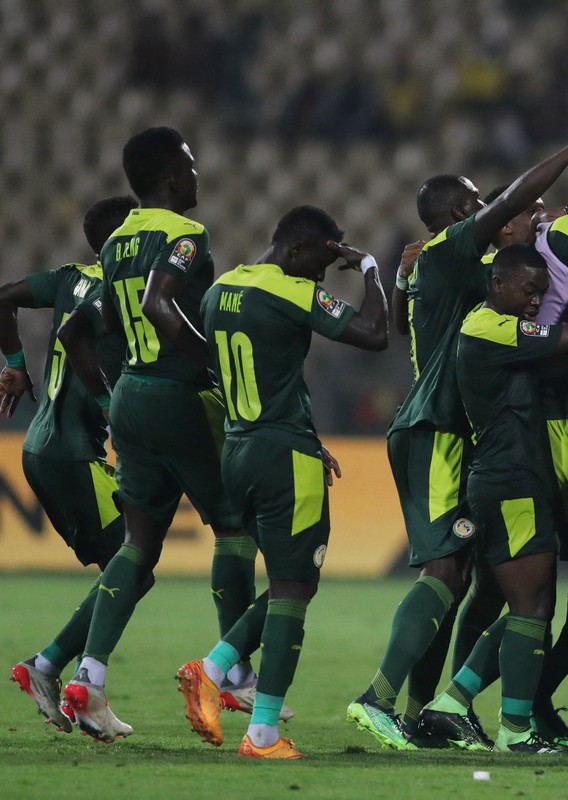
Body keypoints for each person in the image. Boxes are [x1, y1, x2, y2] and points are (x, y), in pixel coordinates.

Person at [347, 117, 568, 751]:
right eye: (482, 203)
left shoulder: (460, 273)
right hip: (438, 430)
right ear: (460, 212)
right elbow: (510, 206)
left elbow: (408, 323)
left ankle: (435, 709)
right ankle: (378, 696)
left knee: (476, 583)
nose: (502, 209)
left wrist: (401, 281)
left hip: (464, 433)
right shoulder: (456, 251)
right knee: (444, 573)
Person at [56, 127, 257, 742]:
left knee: (138, 544)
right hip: (178, 397)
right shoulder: (185, 235)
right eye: (192, 167)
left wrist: (121, 390)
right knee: (235, 526)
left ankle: (88, 680)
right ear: (173, 178)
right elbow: (158, 304)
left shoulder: (116, 240)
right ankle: (236, 671)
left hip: (132, 397)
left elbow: (107, 320)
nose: (197, 178)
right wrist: (214, 365)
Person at [176, 206, 387, 759]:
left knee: (292, 584)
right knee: (296, 591)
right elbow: (375, 333)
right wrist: (368, 268)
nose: (324, 272)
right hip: (283, 457)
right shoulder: (288, 289)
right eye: (322, 257)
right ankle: (260, 730)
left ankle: (218, 670)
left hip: (240, 449)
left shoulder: (221, 289)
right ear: (296, 250)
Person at [418, 244, 568, 754]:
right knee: (531, 607)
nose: (536, 302)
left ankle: (452, 702)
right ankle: (515, 731)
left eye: (541, 292)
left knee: (528, 607)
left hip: (512, 478)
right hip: (510, 482)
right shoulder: (490, 327)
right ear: (498, 285)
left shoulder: (493, 325)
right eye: (528, 291)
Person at [2, 196, 138, 734]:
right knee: (135, 566)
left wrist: (14, 364)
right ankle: (77, 682)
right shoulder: (121, 293)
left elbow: (2, 298)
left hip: (40, 447)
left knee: (128, 567)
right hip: (73, 452)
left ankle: (50, 668)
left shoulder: (68, 278)